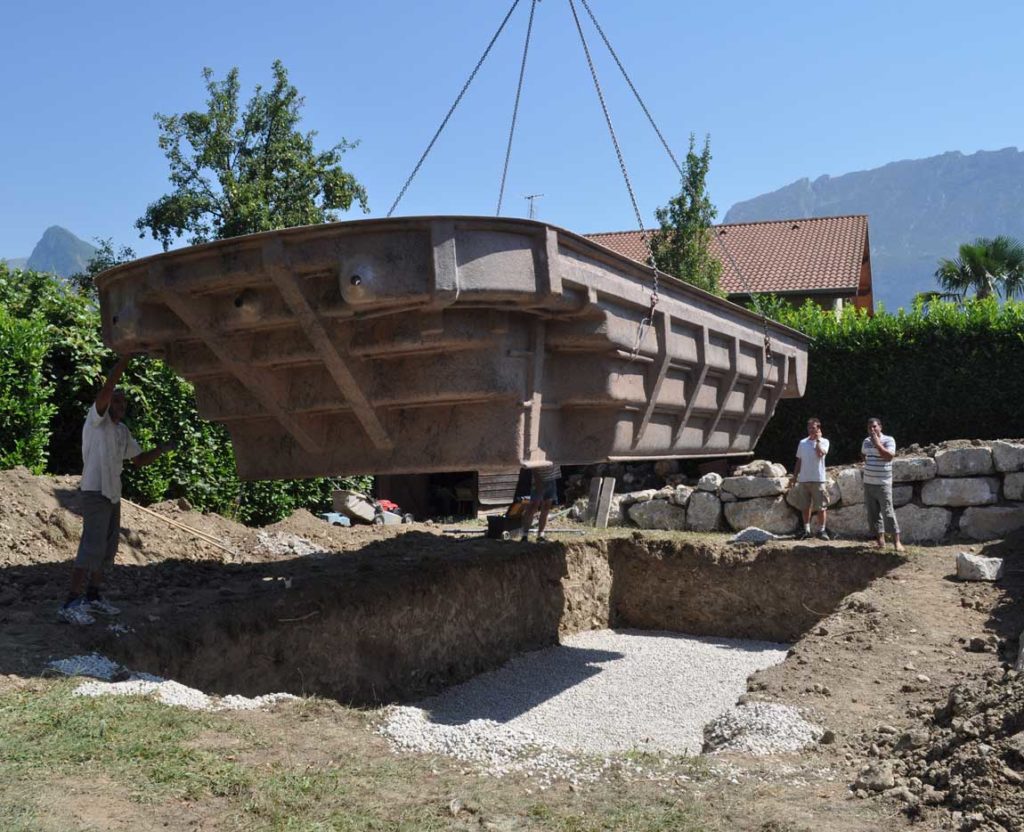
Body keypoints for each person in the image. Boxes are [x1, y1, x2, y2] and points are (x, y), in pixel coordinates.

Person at [58, 355, 176, 626]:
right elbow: (107, 389)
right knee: (90, 547)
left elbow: (138, 460)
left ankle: (93, 597)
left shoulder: (121, 431)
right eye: (117, 400)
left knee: (107, 548)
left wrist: (161, 450)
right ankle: (70, 603)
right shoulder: (96, 421)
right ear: (108, 403)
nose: (121, 405)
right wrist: (124, 360)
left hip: (112, 496)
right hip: (95, 493)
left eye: (124, 402)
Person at [862, 417, 904, 551]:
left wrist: (877, 443)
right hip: (868, 482)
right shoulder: (866, 441)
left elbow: (889, 457)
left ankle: (897, 542)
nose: (872, 429)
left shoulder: (889, 440)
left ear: (880, 427)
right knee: (873, 514)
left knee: (888, 512)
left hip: (883, 483)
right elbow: (863, 455)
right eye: (869, 427)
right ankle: (881, 541)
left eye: (874, 426)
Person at [792, 417, 831, 540]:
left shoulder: (825, 441)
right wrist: (794, 476)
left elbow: (820, 454)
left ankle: (821, 530)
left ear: (818, 428)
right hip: (804, 479)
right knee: (805, 506)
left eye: (813, 428)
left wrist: (818, 441)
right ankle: (807, 530)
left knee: (821, 507)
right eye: (809, 427)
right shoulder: (802, 443)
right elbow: (799, 460)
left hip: (818, 479)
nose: (811, 430)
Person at [519, 463, 561, 543]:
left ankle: (540, 535)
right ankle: (524, 535)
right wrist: (537, 479)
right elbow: (533, 463)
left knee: (546, 506)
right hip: (538, 478)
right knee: (532, 507)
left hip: (551, 478)